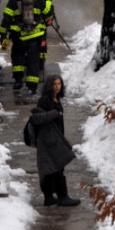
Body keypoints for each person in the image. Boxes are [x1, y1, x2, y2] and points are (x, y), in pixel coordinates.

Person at [0, 0, 54, 95]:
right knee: (33, 61)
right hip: (35, 36)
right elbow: (49, 8)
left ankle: (18, 81)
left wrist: (3, 35)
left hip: (18, 37)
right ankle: (32, 87)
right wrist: (47, 20)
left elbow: (6, 18)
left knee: (17, 59)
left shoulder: (13, 0)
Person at [29, 75, 81, 206]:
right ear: (49, 86)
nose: (57, 87)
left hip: (55, 138)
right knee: (57, 166)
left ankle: (49, 197)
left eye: (59, 84)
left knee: (52, 168)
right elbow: (38, 118)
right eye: (54, 84)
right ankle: (62, 197)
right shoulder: (44, 100)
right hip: (48, 140)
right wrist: (55, 113)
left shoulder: (57, 99)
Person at [8, 0, 56, 79]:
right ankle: (40, 64)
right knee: (41, 40)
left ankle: (24, 65)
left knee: (24, 42)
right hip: (42, 18)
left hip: (23, 20)